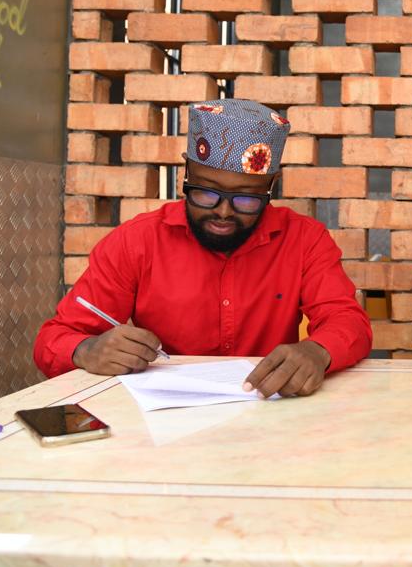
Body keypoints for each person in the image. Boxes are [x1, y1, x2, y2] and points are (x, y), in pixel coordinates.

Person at [34, 99, 372, 397]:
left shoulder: (304, 239)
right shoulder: (137, 242)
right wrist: (87, 349)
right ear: (186, 173)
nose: (223, 212)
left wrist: (318, 351)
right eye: (205, 193)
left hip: (266, 409)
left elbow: (347, 321)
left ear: (271, 186)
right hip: (164, 419)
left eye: (246, 198)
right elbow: (53, 338)